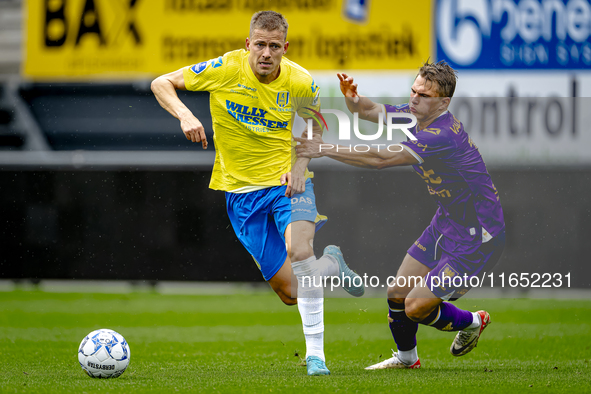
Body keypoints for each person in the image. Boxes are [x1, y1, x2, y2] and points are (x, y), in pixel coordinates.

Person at [151, 10, 364, 376]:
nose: (266, 53)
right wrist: (186, 116)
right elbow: (160, 83)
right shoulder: (225, 69)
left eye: (274, 46)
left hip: (287, 184)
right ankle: (332, 263)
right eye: (260, 45)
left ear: (285, 48)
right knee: (291, 293)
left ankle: (316, 358)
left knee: (300, 251)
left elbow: (316, 126)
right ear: (248, 44)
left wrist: (299, 168)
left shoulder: (301, 82)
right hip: (240, 193)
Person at [295, 61, 505, 369]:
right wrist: (353, 100)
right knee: (397, 292)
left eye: (424, 95)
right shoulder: (416, 114)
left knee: (415, 306)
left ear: (443, 103)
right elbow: (369, 112)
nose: (415, 99)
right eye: (414, 90)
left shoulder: (441, 134)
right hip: (447, 221)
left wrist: (323, 147)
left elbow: (381, 158)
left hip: (478, 234)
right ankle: (407, 360)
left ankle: (473, 322)